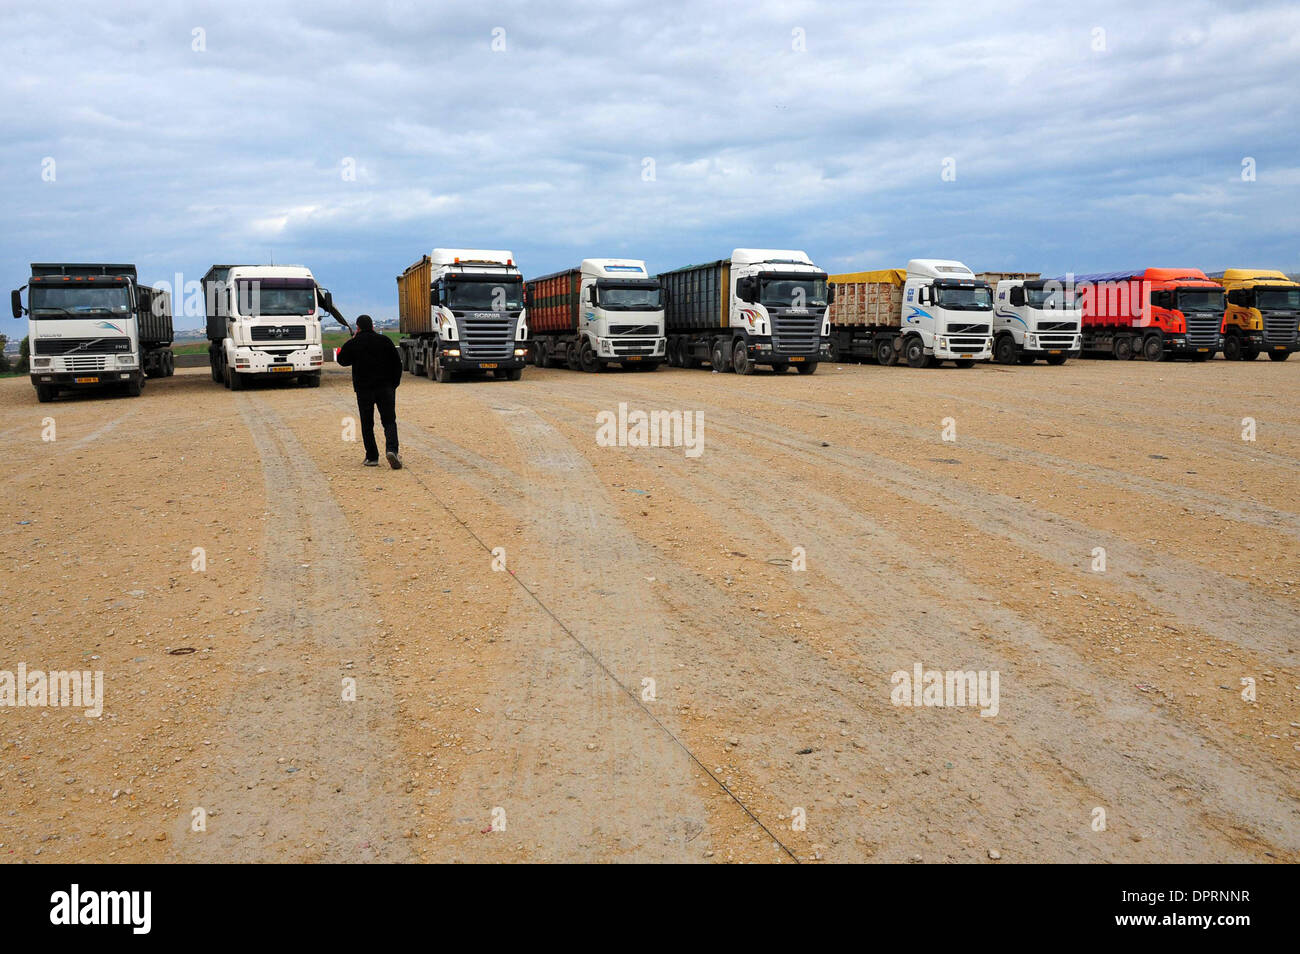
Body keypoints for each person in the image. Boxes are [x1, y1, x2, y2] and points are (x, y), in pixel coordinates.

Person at [336, 314, 403, 469]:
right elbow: (397, 364)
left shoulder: (355, 343)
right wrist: (394, 384)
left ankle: (372, 457)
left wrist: (352, 340)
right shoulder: (385, 341)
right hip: (386, 388)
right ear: (372, 326)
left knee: (367, 423)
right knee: (389, 421)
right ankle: (392, 450)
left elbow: (342, 360)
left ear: (358, 328)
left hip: (364, 389)